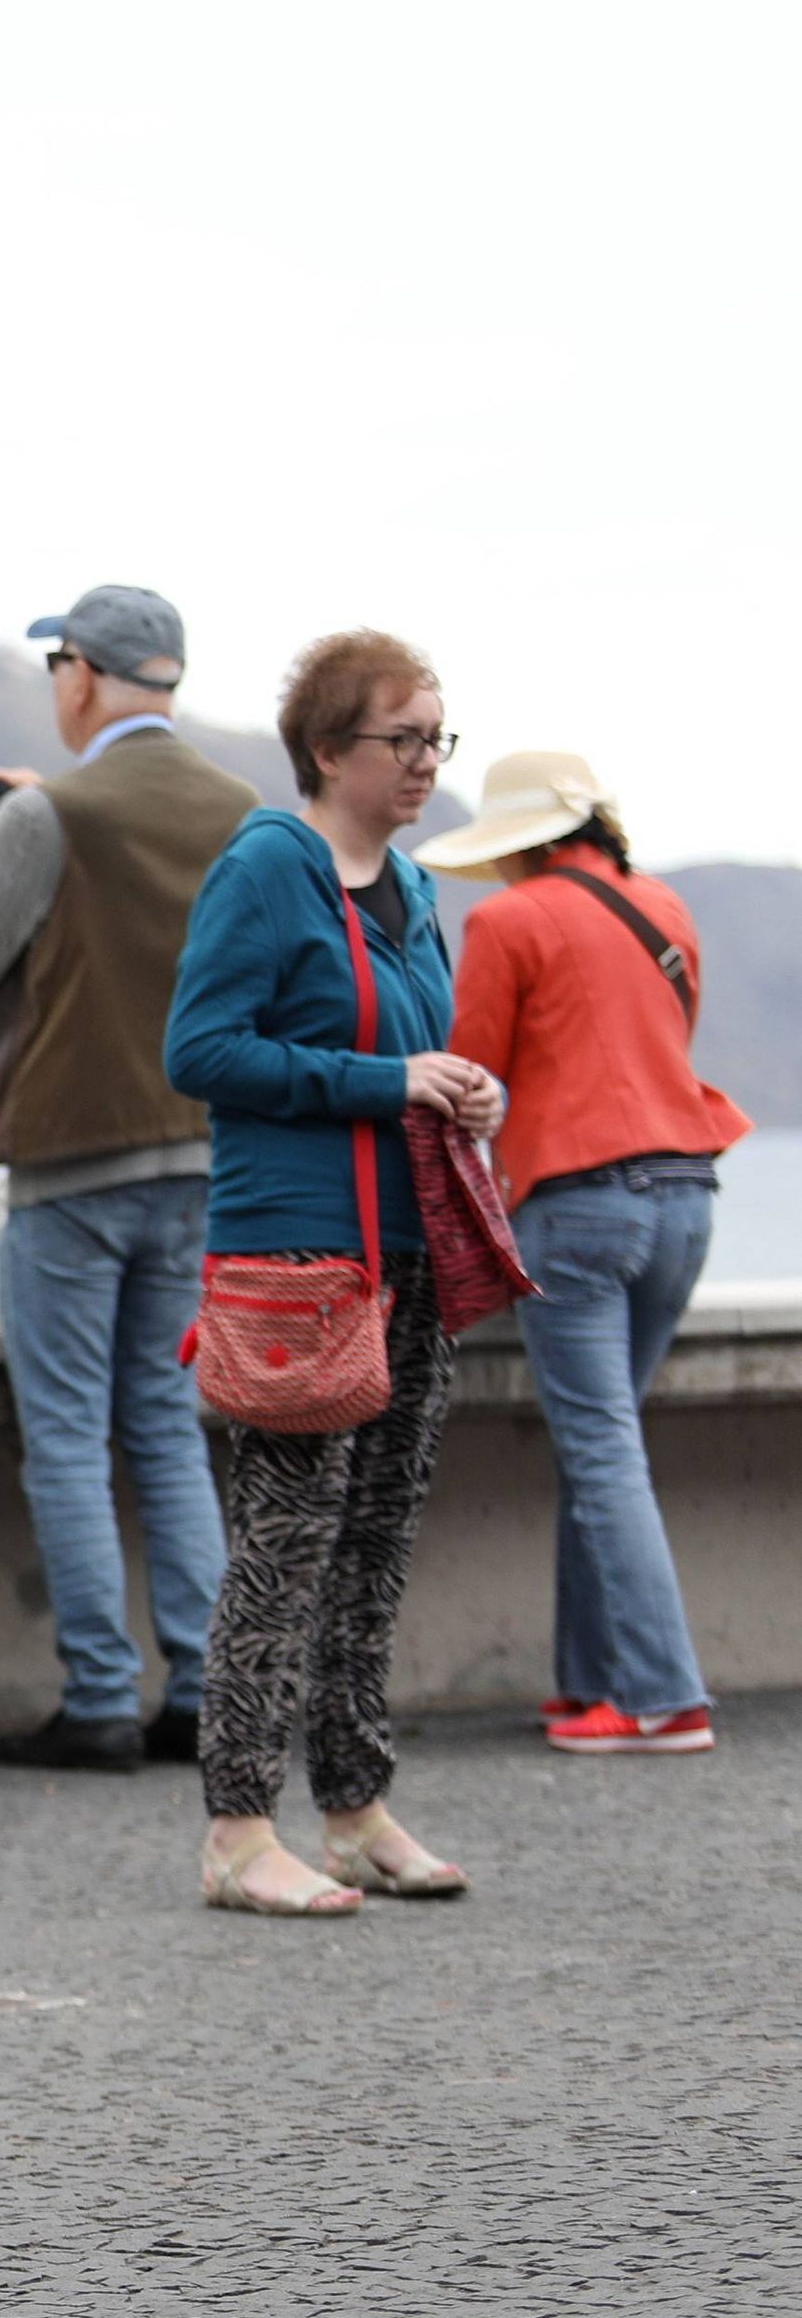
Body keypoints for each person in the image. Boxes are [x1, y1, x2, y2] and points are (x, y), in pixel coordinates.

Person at [165, 630, 503, 1915]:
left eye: (436, 739)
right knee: (282, 1545)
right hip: (298, 1255)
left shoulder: (412, 893)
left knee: (374, 1541)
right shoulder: (266, 867)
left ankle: (355, 1808)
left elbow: (427, 1050)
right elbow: (200, 1047)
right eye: (400, 740)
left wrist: (469, 1088)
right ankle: (237, 1828)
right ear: (325, 749)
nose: (424, 763)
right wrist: (383, 1080)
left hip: (407, 1248)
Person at [0, 586, 256, 1772]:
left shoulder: (51, 819)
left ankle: (100, 1697)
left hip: (69, 1163)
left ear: (82, 678)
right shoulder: (244, 812)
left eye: (58, 663)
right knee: (163, 1422)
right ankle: (207, 1690)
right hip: (203, 1158)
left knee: (63, 1434)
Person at [420, 753, 745, 1758]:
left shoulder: (507, 923)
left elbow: (468, 1074)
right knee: (605, 1444)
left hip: (577, 1201)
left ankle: (659, 1697)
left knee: (600, 1446)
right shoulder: (664, 909)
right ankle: (593, 1681)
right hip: (687, 1193)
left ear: (518, 843)